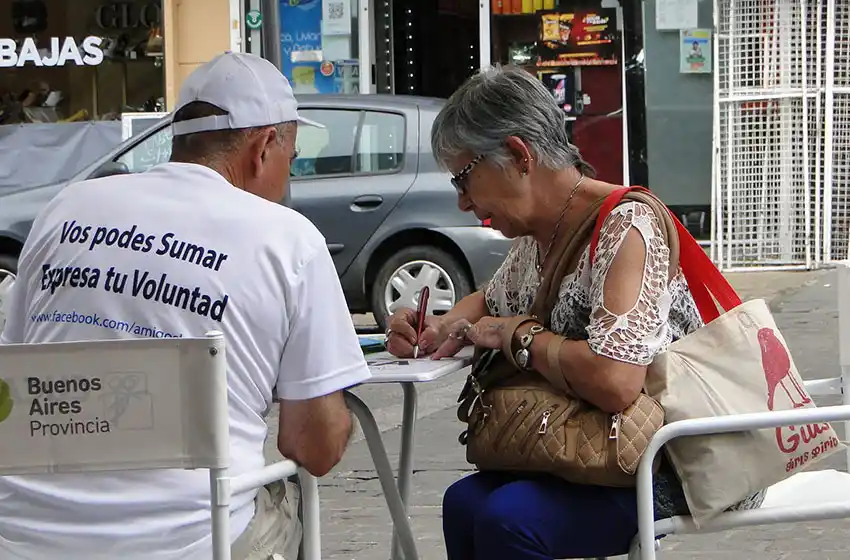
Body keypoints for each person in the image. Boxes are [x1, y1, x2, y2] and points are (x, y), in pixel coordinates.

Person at [0, 52, 371, 560]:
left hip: (25, 536)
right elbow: (314, 448)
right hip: (197, 543)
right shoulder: (288, 240)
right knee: (287, 495)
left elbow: (18, 364)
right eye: (293, 156)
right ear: (264, 148)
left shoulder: (64, 208)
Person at [385, 65, 765, 560]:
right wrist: (437, 327)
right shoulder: (539, 234)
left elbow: (616, 381)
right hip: (593, 450)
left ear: (519, 155)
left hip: (665, 459)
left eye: (464, 177)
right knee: (463, 504)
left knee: (510, 520)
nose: (462, 202)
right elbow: (491, 300)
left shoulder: (626, 226)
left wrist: (518, 338)